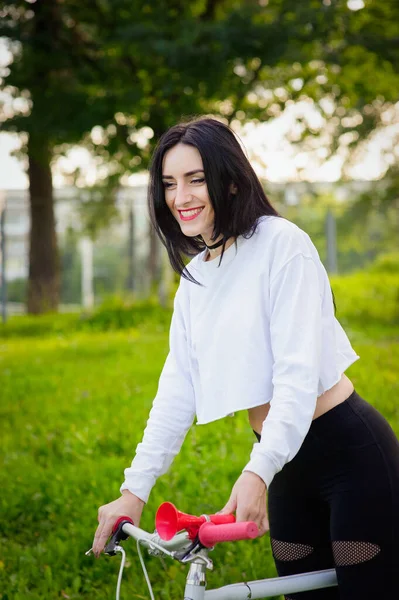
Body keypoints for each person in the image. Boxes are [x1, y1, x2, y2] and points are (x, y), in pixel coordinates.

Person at [93, 117, 399, 599]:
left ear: (230, 180)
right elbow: (177, 392)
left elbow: (296, 379)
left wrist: (257, 471)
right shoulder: (195, 278)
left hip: (349, 456)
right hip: (284, 465)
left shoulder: (283, 245)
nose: (181, 197)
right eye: (170, 184)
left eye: (196, 179)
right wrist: (135, 489)